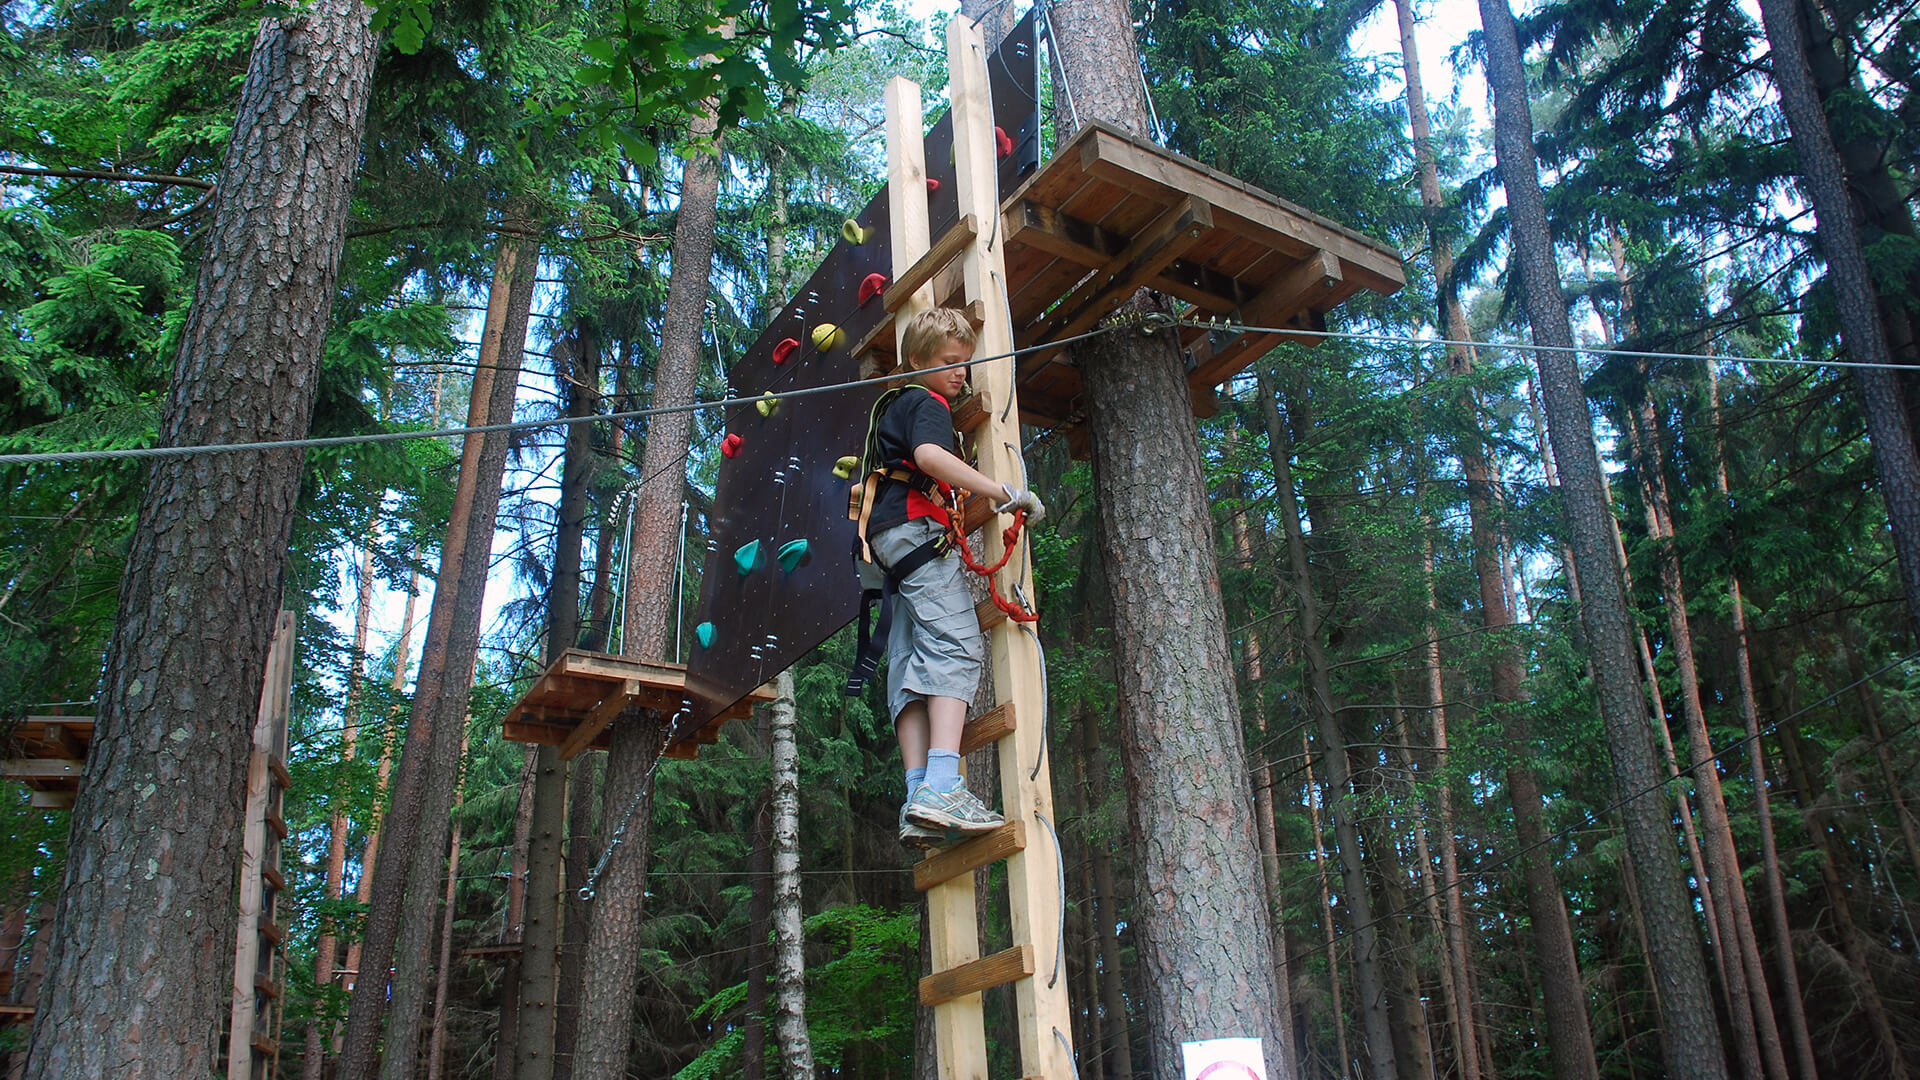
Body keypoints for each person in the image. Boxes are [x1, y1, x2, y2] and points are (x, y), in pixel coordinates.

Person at [856, 307, 1045, 848]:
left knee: (909, 665)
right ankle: (942, 784)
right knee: (959, 644)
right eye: (950, 362)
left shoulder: (891, 408)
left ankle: (918, 795)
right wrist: (999, 491)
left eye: (966, 364)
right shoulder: (926, 402)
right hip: (915, 536)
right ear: (917, 362)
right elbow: (930, 456)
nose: (961, 374)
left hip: (887, 548)